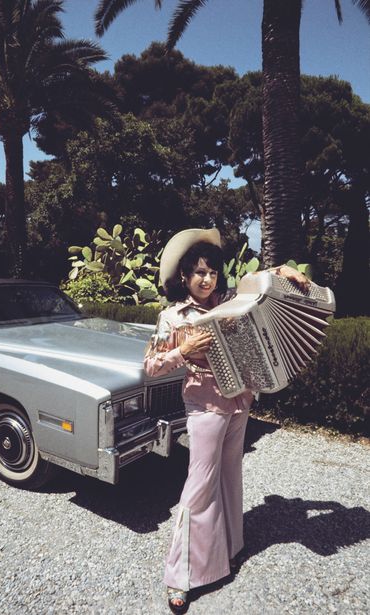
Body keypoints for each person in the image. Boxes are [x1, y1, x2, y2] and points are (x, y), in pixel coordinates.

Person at [144, 228, 309, 614]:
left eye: (212, 272)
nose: (206, 279)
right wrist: (182, 351)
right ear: (184, 278)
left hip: (240, 404)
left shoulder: (234, 302)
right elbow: (150, 366)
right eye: (198, 272)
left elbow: (261, 283)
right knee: (199, 487)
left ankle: (229, 550)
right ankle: (179, 577)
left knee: (231, 477)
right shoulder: (173, 316)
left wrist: (288, 270)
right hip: (203, 408)